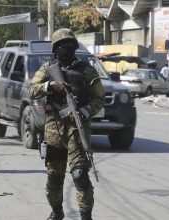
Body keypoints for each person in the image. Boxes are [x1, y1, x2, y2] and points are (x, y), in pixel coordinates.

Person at [29, 28, 105, 220]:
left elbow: (99, 98)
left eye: (70, 45)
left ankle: (86, 216)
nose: (66, 48)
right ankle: (57, 211)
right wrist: (50, 86)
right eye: (62, 45)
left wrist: (84, 111)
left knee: (80, 175)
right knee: (54, 177)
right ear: (55, 48)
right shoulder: (47, 69)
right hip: (54, 128)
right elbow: (32, 90)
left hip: (77, 129)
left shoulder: (87, 70)